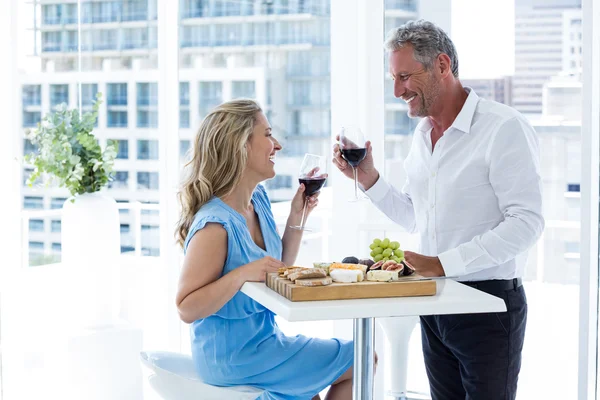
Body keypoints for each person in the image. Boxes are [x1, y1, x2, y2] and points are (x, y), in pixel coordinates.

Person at [333, 20, 544, 400]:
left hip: (488, 307)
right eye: (392, 79)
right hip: (435, 301)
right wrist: (368, 179)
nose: (397, 91)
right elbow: (418, 216)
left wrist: (444, 262)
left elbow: (526, 223)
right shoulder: (422, 136)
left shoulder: (503, 128)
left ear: (442, 66)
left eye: (404, 77)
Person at [175, 99, 357, 400]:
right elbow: (186, 307)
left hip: (263, 342)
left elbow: (278, 266)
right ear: (241, 146)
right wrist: (240, 276)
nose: (277, 145)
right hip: (232, 356)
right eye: (268, 134)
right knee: (359, 358)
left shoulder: (258, 200)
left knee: (315, 388)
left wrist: (298, 215)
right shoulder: (215, 225)